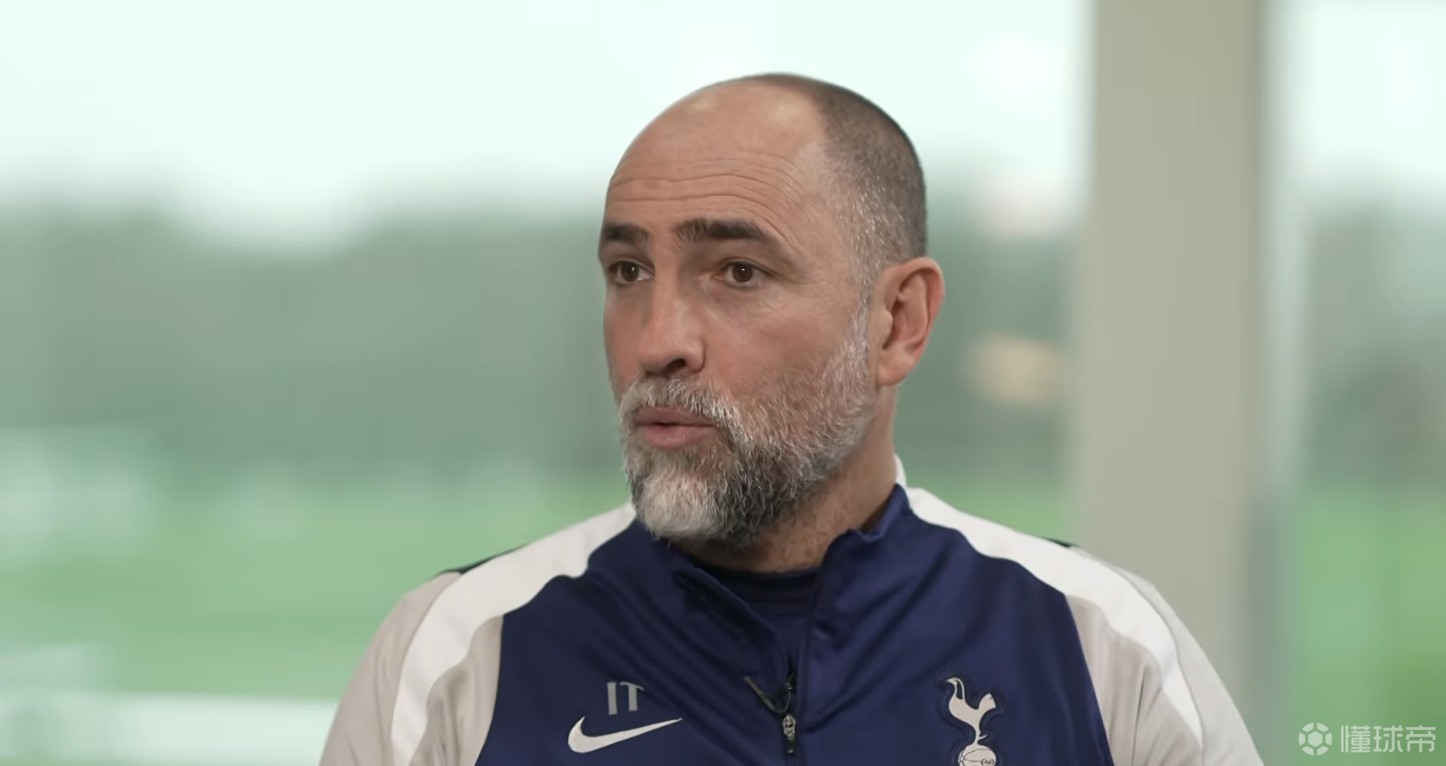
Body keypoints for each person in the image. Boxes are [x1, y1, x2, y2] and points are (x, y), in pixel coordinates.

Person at [320, 73, 1262, 766]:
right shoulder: (458, 655)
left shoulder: (1101, 648)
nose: (658, 340)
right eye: (628, 271)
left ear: (897, 322)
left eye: (738, 272)